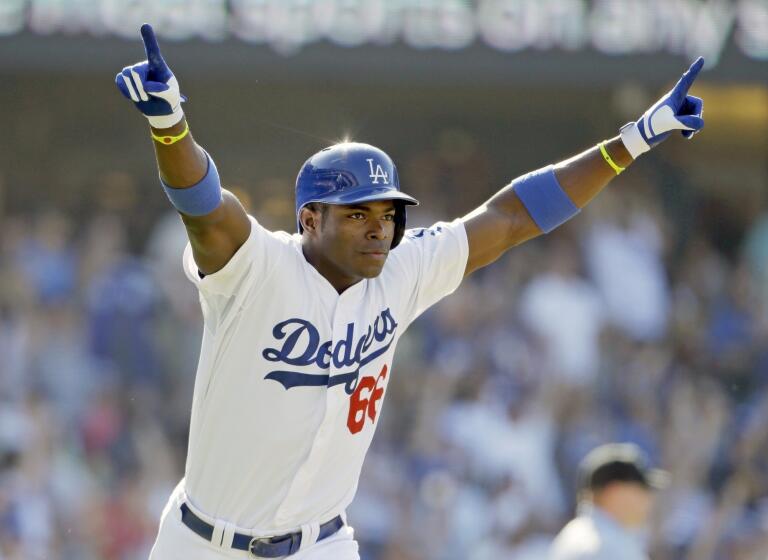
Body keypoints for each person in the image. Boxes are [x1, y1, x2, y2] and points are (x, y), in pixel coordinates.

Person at [115, 23, 704, 560]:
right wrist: (170, 126)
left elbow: (513, 215)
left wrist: (635, 140)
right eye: (356, 214)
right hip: (205, 543)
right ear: (310, 219)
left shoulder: (404, 268)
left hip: (321, 542)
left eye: (389, 212)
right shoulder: (257, 268)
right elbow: (205, 207)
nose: (379, 227)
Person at [550, 443, 670, 560]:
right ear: (615, 492)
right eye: (641, 489)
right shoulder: (609, 545)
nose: (647, 500)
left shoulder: (575, 533)